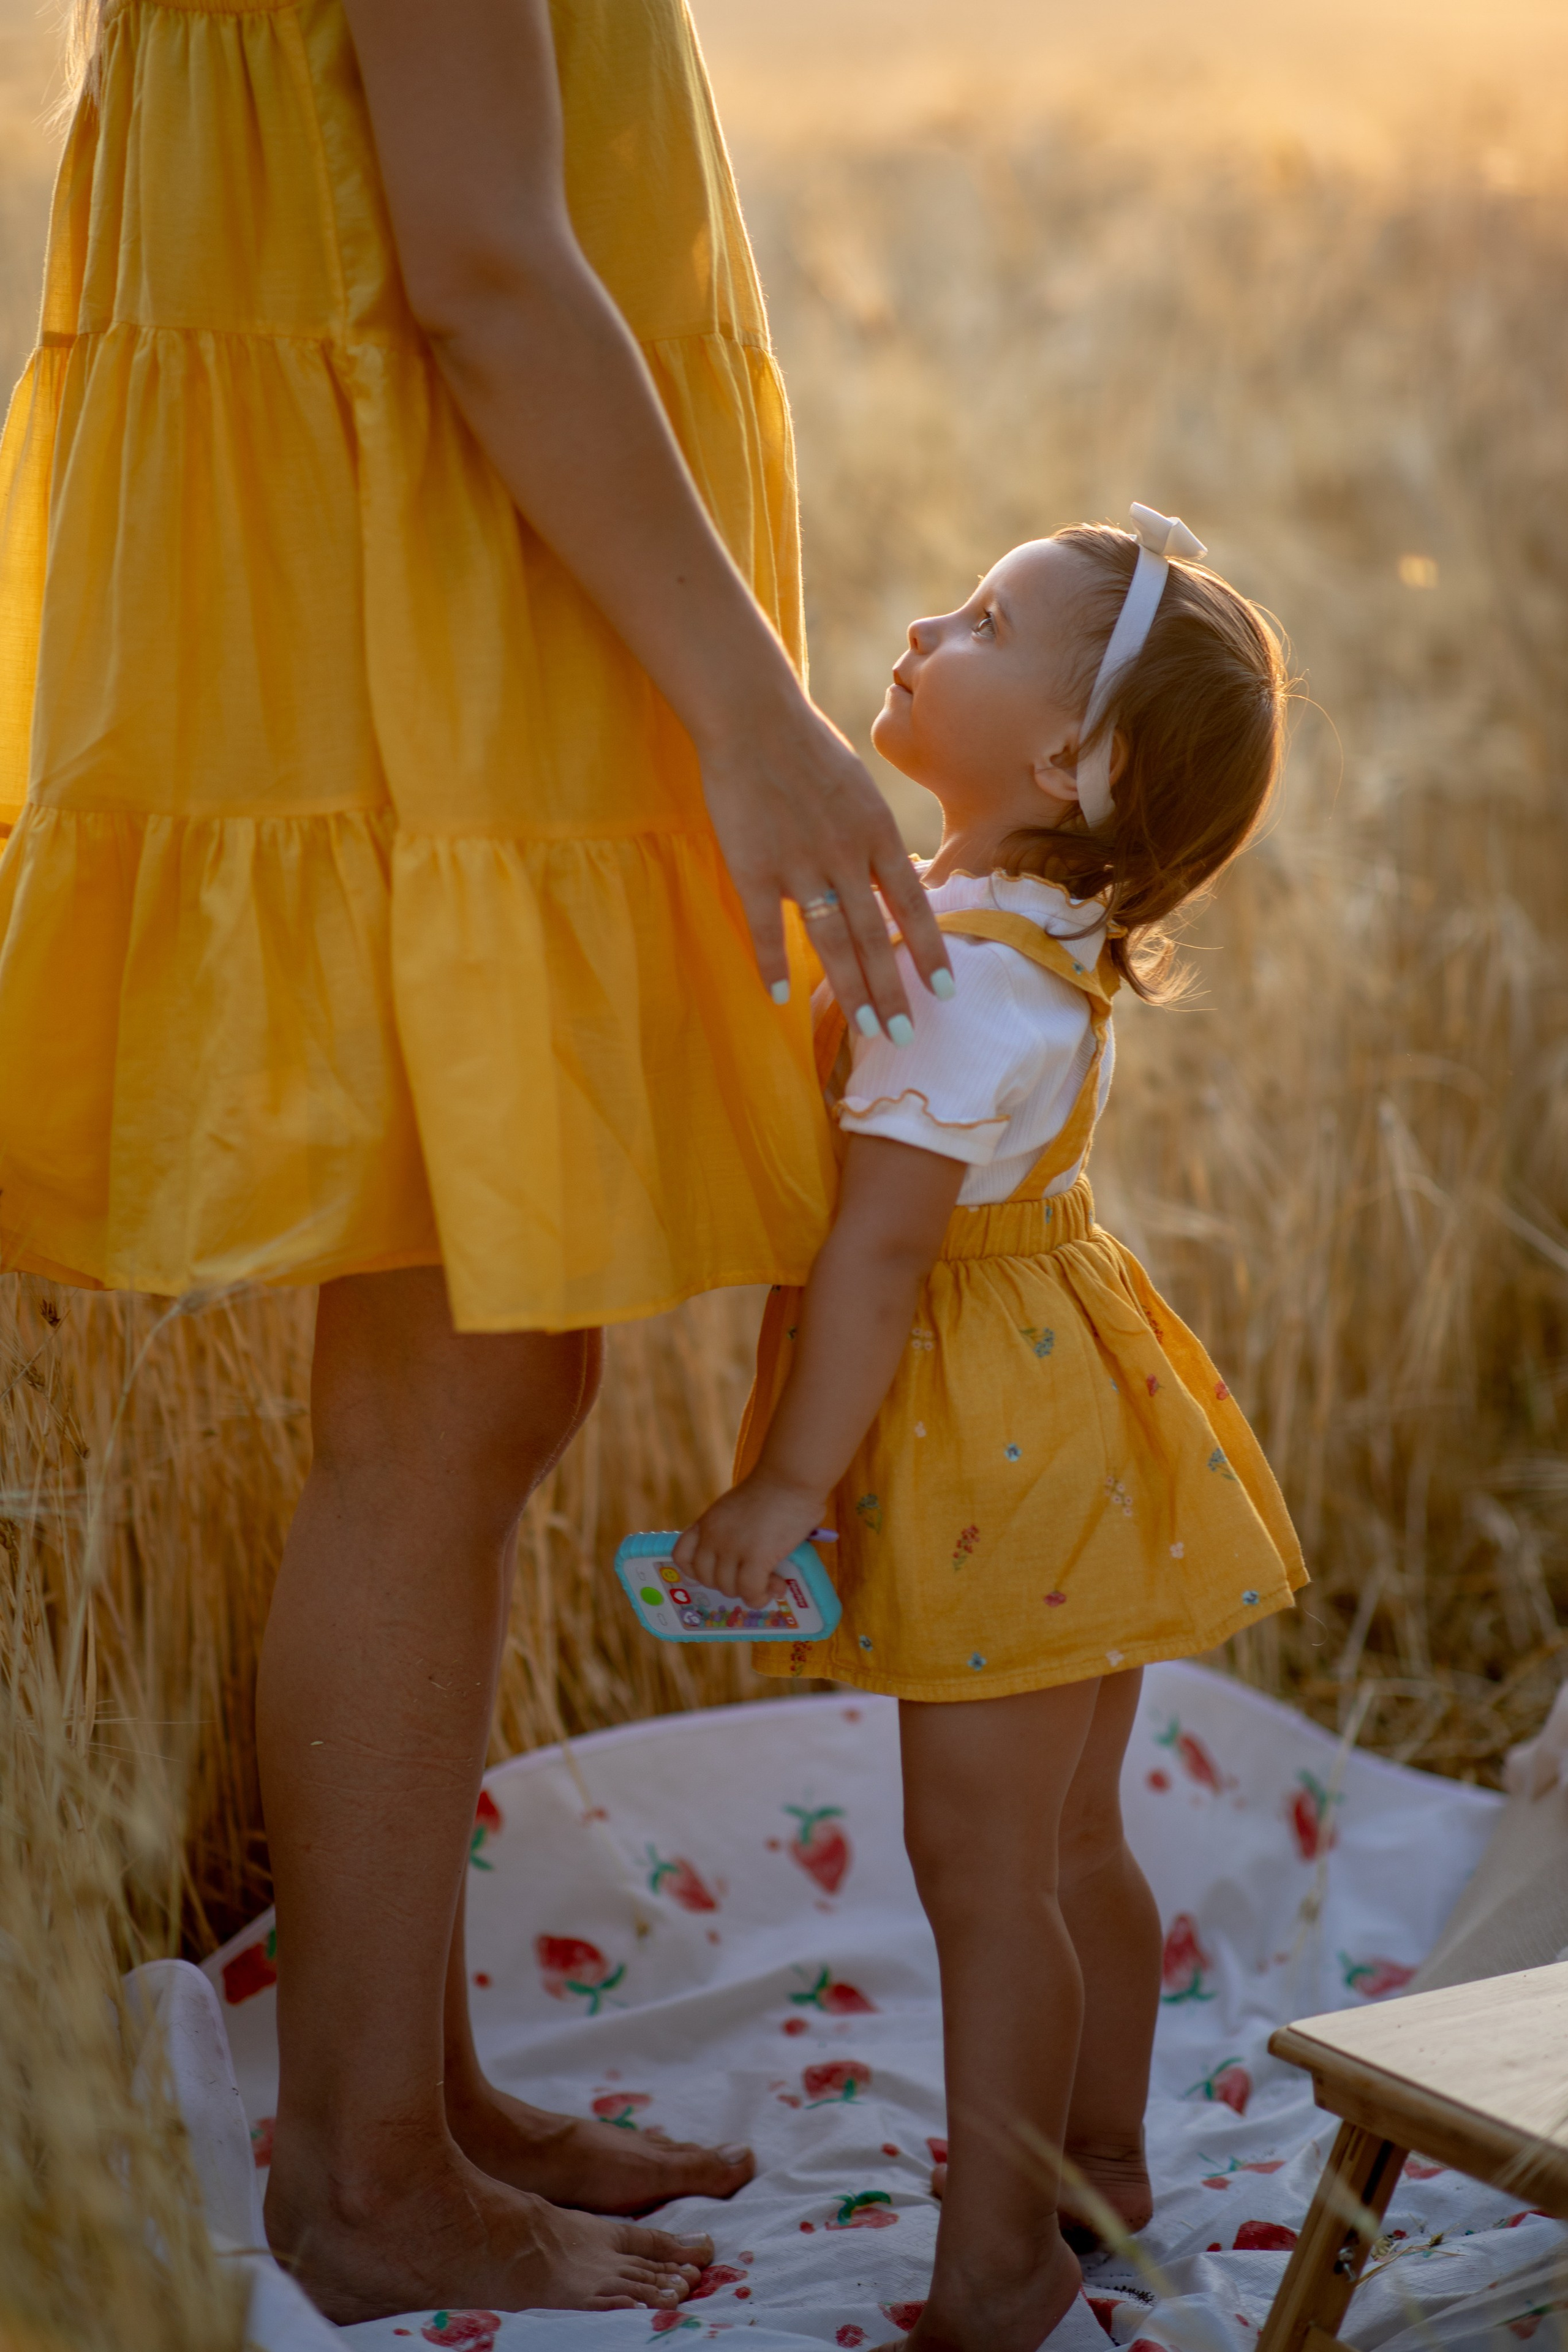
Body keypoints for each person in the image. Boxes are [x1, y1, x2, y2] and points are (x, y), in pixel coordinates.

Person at [0, 0, 956, 2324]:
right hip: (420, 572)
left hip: (445, 554)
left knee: (480, 1370)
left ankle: (409, 2091)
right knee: (451, 1383)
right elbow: (483, 273)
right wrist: (757, 717)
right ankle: (365, 2174)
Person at [677, 508, 1308, 2352]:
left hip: (994, 1453)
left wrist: (790, 1481)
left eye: (979, 619)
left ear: (1068, 758)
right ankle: (1101, 2169)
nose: (923, 624)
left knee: (983, 1870)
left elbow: (879, 1257)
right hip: (1073, 1412)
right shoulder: (1009, 932)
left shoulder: (948, 988)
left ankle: (1002, 2260)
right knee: (1071, 1841)